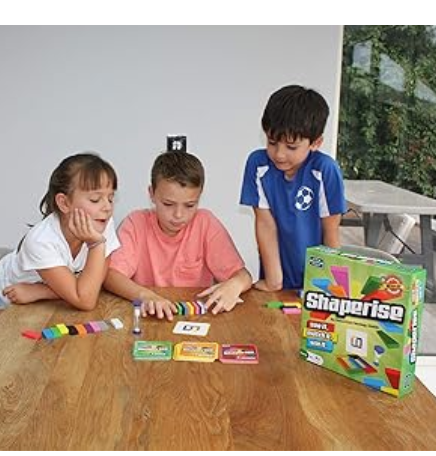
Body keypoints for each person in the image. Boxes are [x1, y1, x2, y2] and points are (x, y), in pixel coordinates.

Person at [0, 153, 120, 342]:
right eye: (95, 199)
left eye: (110, 198)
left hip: (43, 289)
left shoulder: (102, 223)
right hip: (8, 287)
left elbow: (93, 286)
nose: (107, 207)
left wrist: (40, 292)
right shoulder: (41, 240)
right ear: (64, 203)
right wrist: (95, 245)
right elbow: (85, 298)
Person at [104, 151, 252, 318]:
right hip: (150, 318)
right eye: (168, 204)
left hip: (194, 318)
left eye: (189, 205)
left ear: (199, 196)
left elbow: (244, 276)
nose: (178, 215)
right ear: (151, 194)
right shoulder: (135, 223)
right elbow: (110, 276)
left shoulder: (205, 223)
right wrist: (146, 296)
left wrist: (235, 284)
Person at [240, 84, 346, 292]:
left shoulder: (325, 170)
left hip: (318, 282)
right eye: (272, 142)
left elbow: (331, 232)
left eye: (291, 147)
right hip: (276, 276)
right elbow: (265, 223)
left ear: (315, 143)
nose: (279, 154)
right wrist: (274, 281)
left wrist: (327, 287)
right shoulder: (258, 164)